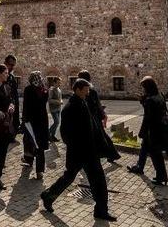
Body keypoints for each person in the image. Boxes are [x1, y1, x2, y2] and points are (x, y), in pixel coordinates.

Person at [40, 79, 117, 222]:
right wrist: (78, 147)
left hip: (90, 152)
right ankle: (48, 196)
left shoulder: (83, 102)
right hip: (79, 153)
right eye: (86, 89)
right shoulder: (70, 108)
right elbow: (65, 134)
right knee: (69, 178)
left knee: (98, 181)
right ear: (78, 89)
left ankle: (101, 210)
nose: (88, 92)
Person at [137, 76, 168, 186]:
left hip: (155, 132)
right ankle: (139, 166)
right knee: (164, 148)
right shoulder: (160, 95)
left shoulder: (150, 100)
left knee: (156, 154)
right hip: (164, 128)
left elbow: (148, 118)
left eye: (144, 87)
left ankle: (161, 177)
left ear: (148, 87)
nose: (143, 90)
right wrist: (144, 102)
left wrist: (142, 132)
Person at [77, 70, 120, 162]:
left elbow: (95, 105)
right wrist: (101, 115)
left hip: (91, 118)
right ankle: (112, 154)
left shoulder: (87, 91)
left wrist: (101, 115)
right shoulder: (92, 91)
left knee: (100, 136)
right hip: (94, 117)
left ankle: (110, 154)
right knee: (102, 136)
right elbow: (98, 105)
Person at [22, 71, 50, 179]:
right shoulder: (44, 90)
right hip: (42, 120)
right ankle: (39, 171)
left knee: (30, 141)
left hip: (31, 120)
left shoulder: (29, 89)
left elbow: (26, 106)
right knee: (40, 145)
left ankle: (29, 160)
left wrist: (24, 120)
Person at [3, 55, 21, 139]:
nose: (12, 67)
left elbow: (14, 94)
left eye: (14, 65)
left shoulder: (11, 77)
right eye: (11, 64)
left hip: (11, 107)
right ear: (5, 63)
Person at [47, 77, 62, 142]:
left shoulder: (59, 89)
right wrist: (58, 102)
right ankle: (48, 134)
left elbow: (60, 98)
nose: (59, 84)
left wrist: (61, 101)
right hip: (53, 109)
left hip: (58, 108)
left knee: (57, 123)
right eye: (58, 83)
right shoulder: (51, 90)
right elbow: (50, 100)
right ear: (54, 83)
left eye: (60, 82)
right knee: (57, 122)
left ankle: (52, 136)